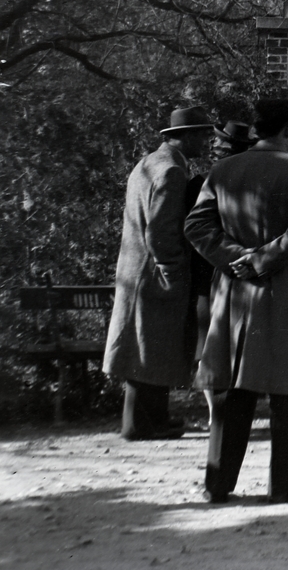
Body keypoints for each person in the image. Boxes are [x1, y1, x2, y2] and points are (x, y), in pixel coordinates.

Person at [185, 98, 288, 503]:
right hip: (284, 289)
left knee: (235, 387)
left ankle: (218, 483)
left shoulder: (223, 169)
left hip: (234, 292)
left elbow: (196, 225)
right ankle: (285, 484)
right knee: (287, 387)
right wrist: (261, 259)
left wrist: (234, 258)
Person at [105, 105, 214, 441]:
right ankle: (139, 425)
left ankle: (153, 419)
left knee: (149, 347)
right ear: (186, 136)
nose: (207, 141)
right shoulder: (171, 172)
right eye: (202, 134)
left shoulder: (148, 163)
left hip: (137, 271)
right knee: (151, 348)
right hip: (154, 273)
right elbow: (161, 231)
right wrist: (170, 271)